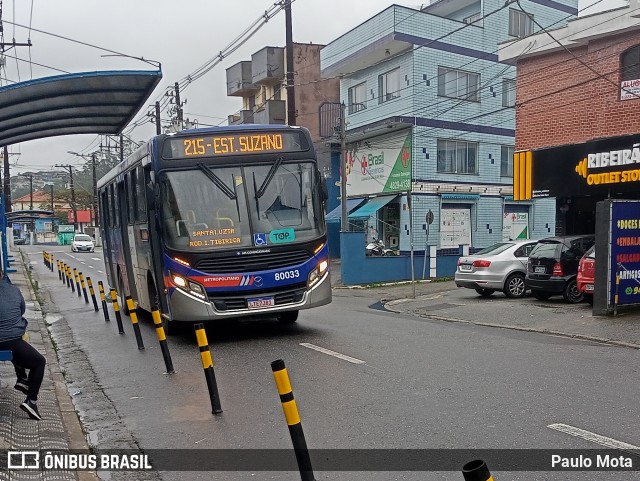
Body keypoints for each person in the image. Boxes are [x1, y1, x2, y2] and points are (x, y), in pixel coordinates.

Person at [0, 267, 45, 420]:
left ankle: (23, 379)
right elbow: (21, 311)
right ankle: (30, 400)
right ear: (2, 274)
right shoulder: (14, 290)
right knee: (39, 362)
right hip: (13, 341)